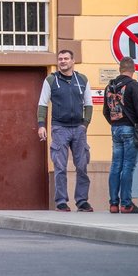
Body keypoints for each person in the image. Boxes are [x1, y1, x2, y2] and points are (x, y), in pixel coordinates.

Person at [37, 49, 94, 212]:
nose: (63, 61)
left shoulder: (82, 80)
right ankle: (61, 201)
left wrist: (85, 125)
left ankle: (82, 201)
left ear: (73, 61)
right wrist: (41, 124)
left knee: (82, 166)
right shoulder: (51, 80)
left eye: (66, 58)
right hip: (59, 128)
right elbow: (42, 104)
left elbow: (88, 104)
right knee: (60, 166)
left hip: (78, 129)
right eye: (60, 59)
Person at [103, 57, 138, 214]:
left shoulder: (110, 87)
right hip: (130, 130)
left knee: (115, 166)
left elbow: (105, 112)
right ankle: (126, 204)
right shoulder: (133, 85)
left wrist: (115, 124)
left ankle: (113, 203)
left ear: (120, 69)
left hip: (116, 130)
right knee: (128, 166)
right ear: (133, 70)